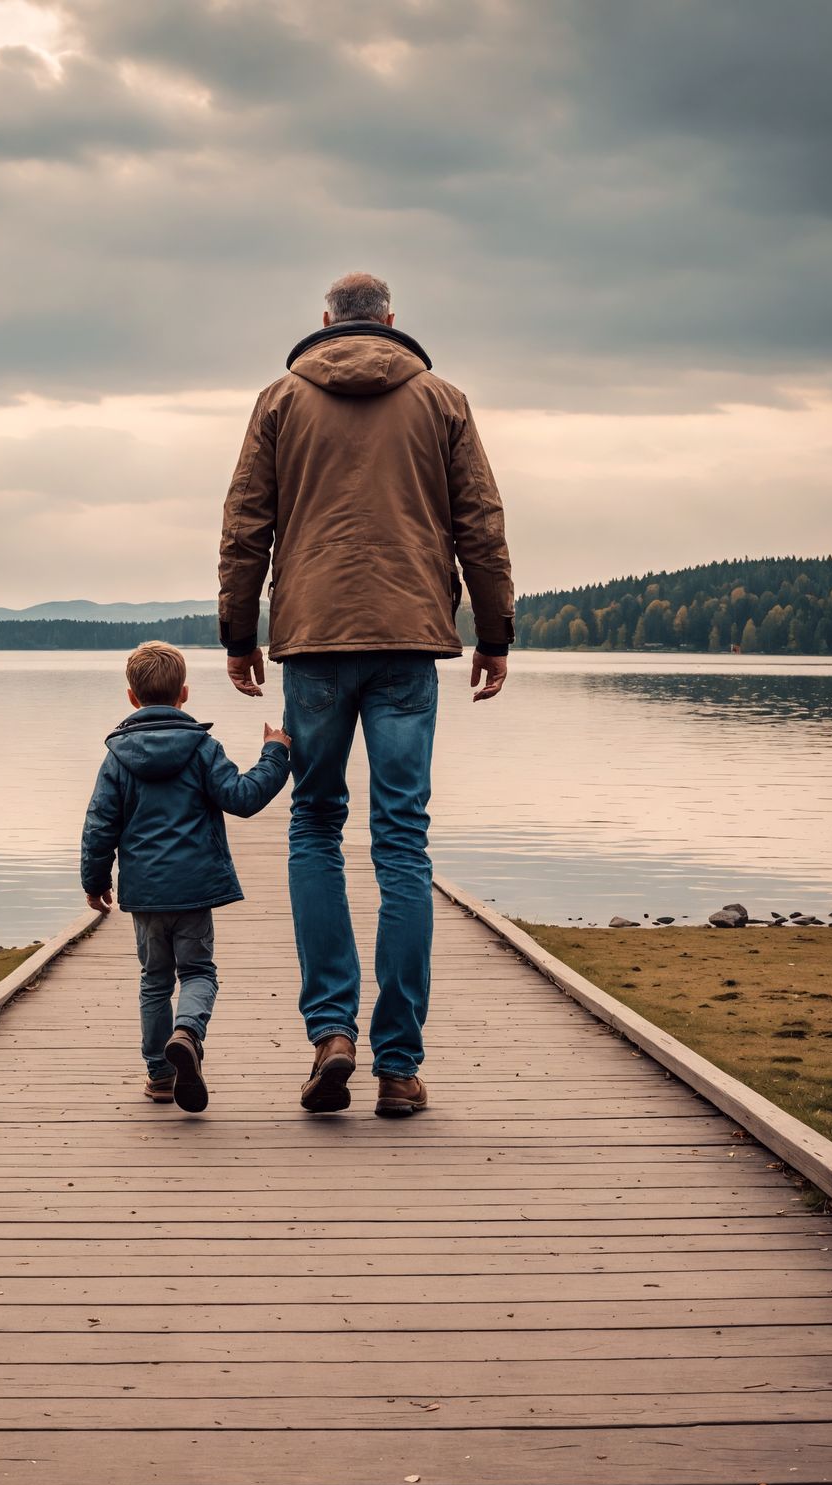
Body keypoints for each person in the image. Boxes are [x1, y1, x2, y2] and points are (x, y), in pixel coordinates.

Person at [218, 271, 515, 1117]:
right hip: (409, 642)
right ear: (390, 321)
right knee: (402, 840)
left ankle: (331, 1034)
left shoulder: (279, 400)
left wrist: (240, 634)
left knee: (314, 824)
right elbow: (481, 525)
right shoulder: (442, 399)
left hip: (312, 642)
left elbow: (245, 526)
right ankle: (401, 1065)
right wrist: (493, 635)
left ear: (323, 323)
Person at [81, 640, 291, 1113]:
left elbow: (99, 825)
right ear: (186, 694)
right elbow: (242, 798)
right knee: (197, 972)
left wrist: (95, 881)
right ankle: (188, 1033)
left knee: (154, 981)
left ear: (132, 698)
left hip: (146, 894)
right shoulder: (203, 749)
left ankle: (159, 1075)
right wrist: (275, 753)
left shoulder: (117, 758)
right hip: (195, 889)